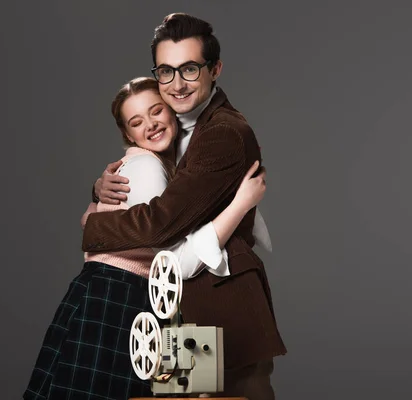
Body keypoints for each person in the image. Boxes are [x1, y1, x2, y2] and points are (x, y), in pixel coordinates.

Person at [23, 77, 266, 400]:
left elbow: (92, 220)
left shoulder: (157, 164)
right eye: (137, 122)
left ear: (173, 112)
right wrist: (240, 205)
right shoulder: (148, 166)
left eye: (156, 112)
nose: (151, 125)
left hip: (107, 291)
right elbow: (172, 253)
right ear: (127, 134)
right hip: (119, 294)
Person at [85, 13, 287, 400]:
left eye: (190, 69)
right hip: (178, 319)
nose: (176, 85)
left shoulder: (222, 133)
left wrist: (92, 227)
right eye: (166, 71)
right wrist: (98, 190)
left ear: (215, 70)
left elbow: (162, 222)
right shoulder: (171, 125)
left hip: (221, 313)